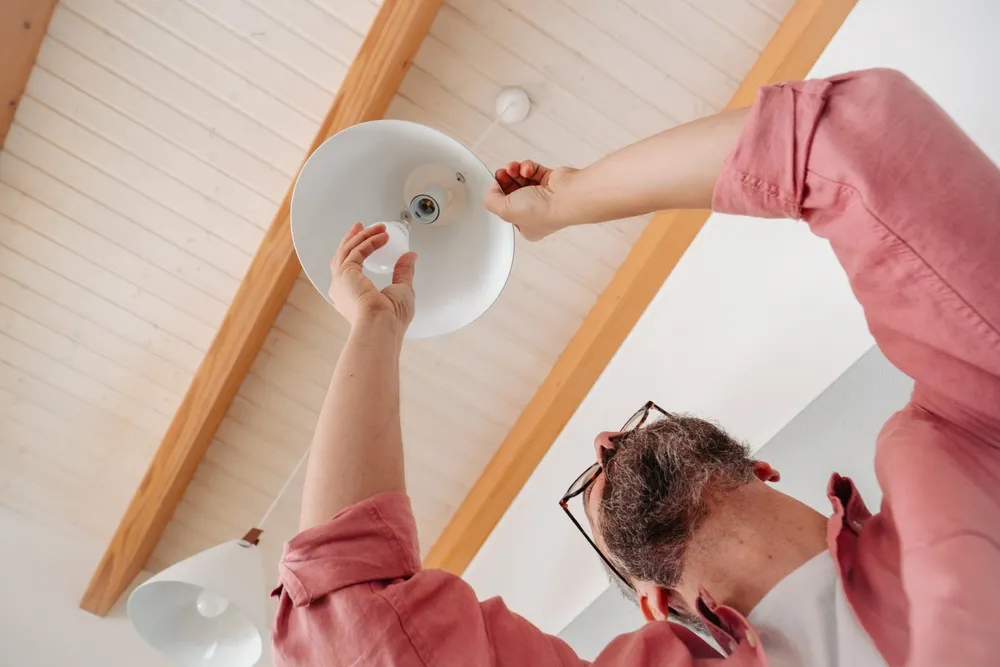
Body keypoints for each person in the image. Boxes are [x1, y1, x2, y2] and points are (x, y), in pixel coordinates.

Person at [271, 69, 1000, 667]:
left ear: (765, 468)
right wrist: (376, 325)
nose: (603, 444)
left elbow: (858, 139)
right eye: (593, 484)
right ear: (654, 603)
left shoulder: (965, 444)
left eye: (610, 448)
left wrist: (571, 198)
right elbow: (353, 617)